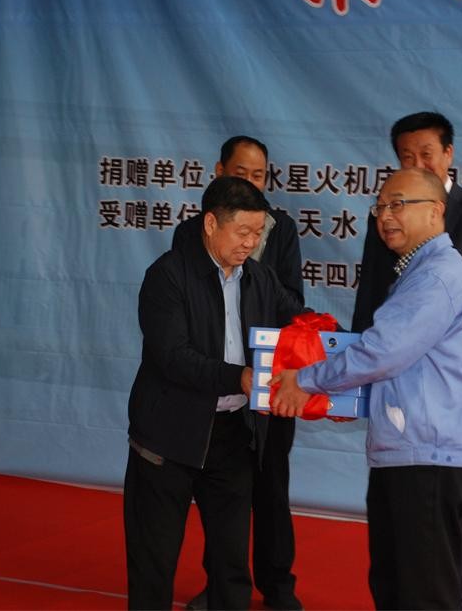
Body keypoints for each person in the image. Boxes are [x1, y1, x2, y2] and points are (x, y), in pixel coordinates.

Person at [271, 167, 462, 610]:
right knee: (395, 587)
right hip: (411, 453)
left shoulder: (436, 277)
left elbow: (383, 351)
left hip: (426, 458)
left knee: (423, 596)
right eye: (381, 206)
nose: (385, 216)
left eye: (398, 204)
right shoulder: (419, 272)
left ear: (435, 211)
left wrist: (305, 380)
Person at [352, 111, 462, 609]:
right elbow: (371, 295)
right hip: (394, 390)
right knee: (395, 548)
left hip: (445, 394)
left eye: (426, 153)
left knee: (436, 538)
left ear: (448, 154)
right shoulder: (387, 212)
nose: (417, 162)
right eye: (406, 156)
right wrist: (355, 373)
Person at [124, 176, 305, 611]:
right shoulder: (168, 276)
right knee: (154, 562)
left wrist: (333, 346)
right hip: (168, 436)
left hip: (234, 436)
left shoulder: (260, 278)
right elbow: (174, 357)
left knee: (230, 564)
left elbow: (299, 322)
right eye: (243, 232)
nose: (251, 243)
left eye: (258, 233)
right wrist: (238, 377)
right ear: (210, 224)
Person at [174, 136, 305, 611]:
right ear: (218, 173)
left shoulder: (281, 229)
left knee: (271, 490)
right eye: (241, 173)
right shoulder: (192, 232)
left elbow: (292, 302)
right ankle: (223, 588)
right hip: (222, 388)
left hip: (269, 385)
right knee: (221, 501)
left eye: (258, 175)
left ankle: (277, 587)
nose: (251, 182)